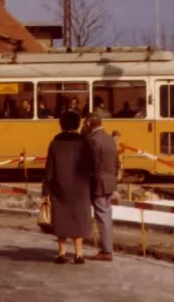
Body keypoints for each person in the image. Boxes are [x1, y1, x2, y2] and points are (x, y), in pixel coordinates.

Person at [42, 111, 94, 265]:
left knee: (61, 218)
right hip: (81, 187)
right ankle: (78, 253)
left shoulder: (55, 143)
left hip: (60, 187)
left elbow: (49, 169)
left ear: (62, 124)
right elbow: (91, 167)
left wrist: (46, 189)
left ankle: (61, 253)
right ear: (78, 123)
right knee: (79, 219)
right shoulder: (85, 142)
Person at [84, 112, 120, 261]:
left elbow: (91, 165)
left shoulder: (94, 141)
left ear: (88, 124)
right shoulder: (110, 139)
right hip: (109, 182)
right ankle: (107, 248)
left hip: (98, 183)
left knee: (102, 216)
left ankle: (106, 250)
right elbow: (117, 162)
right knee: (107, 215)